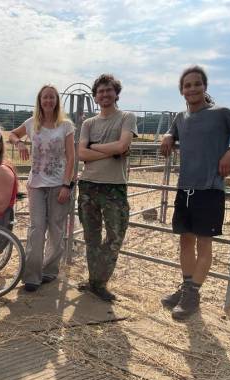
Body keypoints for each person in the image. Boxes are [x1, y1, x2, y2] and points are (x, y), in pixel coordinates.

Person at [160, 65, 230, 320]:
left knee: (204, 242)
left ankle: (193, 294)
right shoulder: (181, 118)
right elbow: (172, 131)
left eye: (196, 84)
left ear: (205, 87)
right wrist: (168, 136)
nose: (192, 89)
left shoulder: (222, 113)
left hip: (210, 188)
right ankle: (186, 288)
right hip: (186, 187)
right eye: (187, 85)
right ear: (181, 91)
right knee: (185, 241)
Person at [9, 84, 75, 292]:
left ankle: (49, 270)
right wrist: (19, 144)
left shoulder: (66, 126)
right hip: (36, 184)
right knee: (37, 228)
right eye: (45, 97)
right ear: (39, 100)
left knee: (56, 230)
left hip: (58, 185)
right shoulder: (31, 123)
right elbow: (12, 134)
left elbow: (72, 157)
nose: (48, 101)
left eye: (52, 97)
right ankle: (32, 275)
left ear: (57, 101)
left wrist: (67, 185)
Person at [77, 74, 137, 301]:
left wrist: (95, 148)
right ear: (95, 96)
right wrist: (112, 152)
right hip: (89, 186)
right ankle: (95, 282)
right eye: (100, 91)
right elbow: (81, 153)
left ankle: (100, 281)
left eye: (108, 90)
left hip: (114, 188)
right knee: (91, 237)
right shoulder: (88, 123)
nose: (104, 94)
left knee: (114, 238)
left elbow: (123, 145)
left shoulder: (126, 117)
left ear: (116, 93)